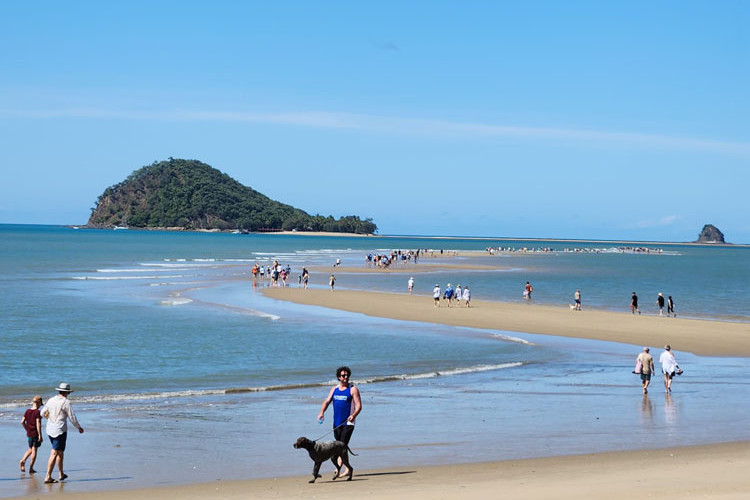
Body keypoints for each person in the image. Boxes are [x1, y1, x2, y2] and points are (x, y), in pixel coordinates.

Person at [317, 366, 362, 476]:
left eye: (347, 375)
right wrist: (321, 412)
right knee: (340, 447)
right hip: (337, 423)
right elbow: (327, 401)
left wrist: (353, 415)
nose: (346, 377)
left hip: (348, 423)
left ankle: (339, 469)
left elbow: (359, 406)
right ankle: (347, 468)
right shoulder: (334, 389)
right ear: (338, 377)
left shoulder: (352, 389)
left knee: (342, 445)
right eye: (343, 375)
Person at [43, 383, 84, 484]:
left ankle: (61, 474)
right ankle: (47, 476)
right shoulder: (66, 402)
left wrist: (50, 417)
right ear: (67, 393)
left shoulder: (51, 400)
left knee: (60, 452)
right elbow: (72, 417)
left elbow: (42, 412)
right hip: (60, 430)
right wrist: (78, 427)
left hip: (50, 429)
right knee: (54, 452)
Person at [20, 395, 44, 473]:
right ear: (39, 403)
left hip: (29, 433)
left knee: (31, 448)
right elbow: (38, 424)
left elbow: (22, 421)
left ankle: (23, 460)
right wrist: (40, 435)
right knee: (34, 450)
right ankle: (31, 468)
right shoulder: (37, 412)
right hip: (35, 433)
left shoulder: (27, 411)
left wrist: (27, 429)